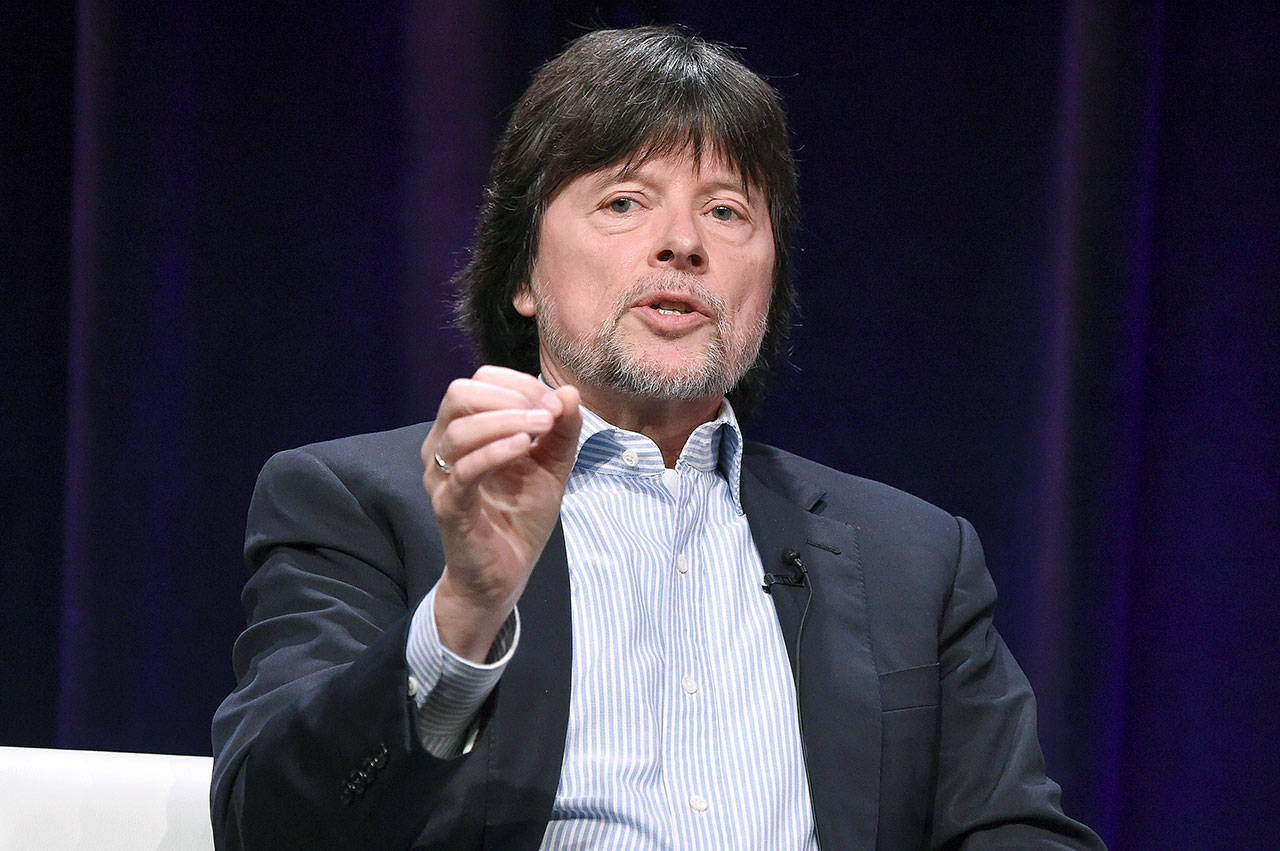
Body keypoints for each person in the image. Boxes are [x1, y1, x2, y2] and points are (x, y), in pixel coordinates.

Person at [211, 26, 1104, 850]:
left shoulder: (914, 559)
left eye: (726, 212)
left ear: (769, 284)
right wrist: (465, 611)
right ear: (522, 271)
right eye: (625, 202)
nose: (681, 242)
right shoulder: (364, 501)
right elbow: (269, 825)